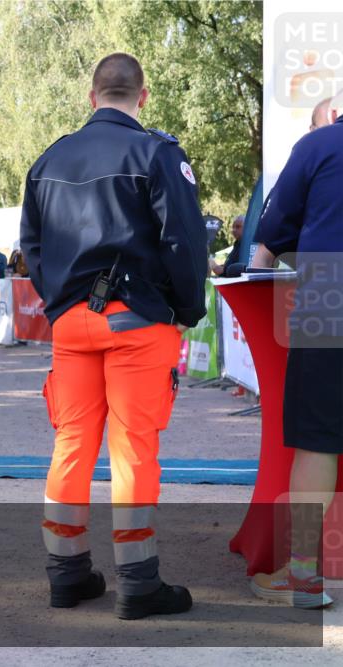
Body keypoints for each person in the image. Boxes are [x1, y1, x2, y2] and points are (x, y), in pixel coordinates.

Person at [19, 52, 207, 619]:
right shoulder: (157, 153)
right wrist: (185, 309)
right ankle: (138, 582)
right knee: (133, 450)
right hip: (137, 321)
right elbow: (185, 242)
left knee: (71, 444)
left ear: (91, 95)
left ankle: (67, 573)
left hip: (71, 325)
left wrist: (62, 302)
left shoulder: (48, 160)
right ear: (142, 96)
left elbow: (31, 247)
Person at [247, 102, 343, 609]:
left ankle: (304, 576)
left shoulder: (317, 145)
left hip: (330, 295)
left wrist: (262, 263)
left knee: (317, 441)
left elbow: (268, 244)